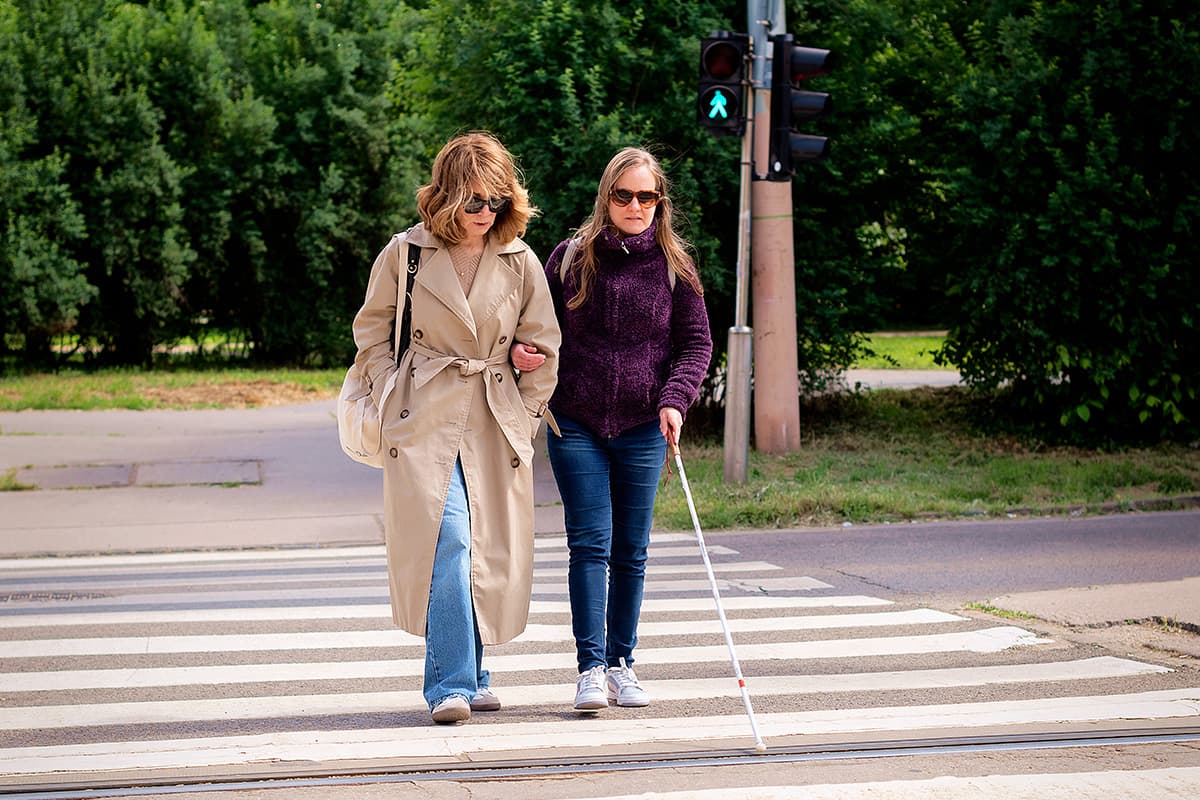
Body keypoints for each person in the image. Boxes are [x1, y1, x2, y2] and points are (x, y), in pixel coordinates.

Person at [351, 132, 560, 725]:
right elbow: (372, 329)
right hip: (424, 417)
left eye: (495, 202)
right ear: (444, 197)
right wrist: (389, 390)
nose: (484, 214)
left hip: (494, 419)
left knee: (485, 551)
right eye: (472, 202)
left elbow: (545, 343)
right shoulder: (406, 253)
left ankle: (476, 672)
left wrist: (525, 403)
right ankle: (449, 683)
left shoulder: (520, 260)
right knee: (452, 544)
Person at [511, 147, 712, 711]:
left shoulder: (675, 266)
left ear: (660, 202)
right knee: (589, 546)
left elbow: (696, 345)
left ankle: (624, 663)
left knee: (632, 550)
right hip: (574, 420)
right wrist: (523, 352)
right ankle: (590, 668)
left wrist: (676, 400)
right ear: (606, 198)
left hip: (645, 425)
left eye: (646, 196)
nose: (635, 205)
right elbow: (533, 326)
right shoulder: (571, 258)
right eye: (623, 195)